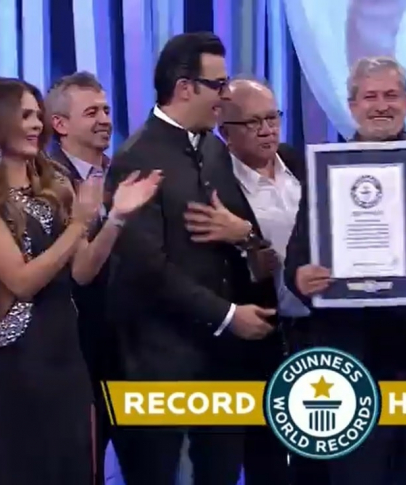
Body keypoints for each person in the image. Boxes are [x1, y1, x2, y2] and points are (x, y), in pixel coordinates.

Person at [0, 77, 160, 485]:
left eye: (38, 115)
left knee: (75, 469)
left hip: (67, 351)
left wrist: (116, 219)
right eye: (25, 116)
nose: (37, 124)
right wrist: (80, 224)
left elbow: (82, 271)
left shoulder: (55, 183)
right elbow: (22, 282)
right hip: (18, 357)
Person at [285, 56, 406, 485]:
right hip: (352, 350)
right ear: (352, 105)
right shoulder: (325, 165)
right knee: (358, 474)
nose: (381, 105)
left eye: (391, 95)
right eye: (370, 96)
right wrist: (300, 279)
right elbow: (298, 253)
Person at [105, 33, 277, 485]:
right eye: (217, 85)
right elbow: (146, 268)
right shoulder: (137, 159)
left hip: (223, 361)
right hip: (159, 362)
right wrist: (228, 315)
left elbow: (236, 235)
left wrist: (246, 239)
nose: (225, 96)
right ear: (184, 88)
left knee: (221, 473)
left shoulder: (215, 149)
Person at [218, 77, 310, 485]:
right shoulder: (216, 183)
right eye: (253, 122)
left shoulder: (301, 165)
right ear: (225, 131)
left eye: (272, 118)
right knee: (266, 457)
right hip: (258, 334)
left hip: (316, 329)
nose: (267, 130)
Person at [44, 71, 117, 485]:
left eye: (106, 109)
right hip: (75, 348)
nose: (105, 119)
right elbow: (79, 273)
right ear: (60, 124)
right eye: (91, 112)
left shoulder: (124, 171)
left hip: (130, 345)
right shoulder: (46, 182)